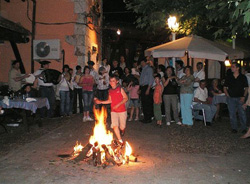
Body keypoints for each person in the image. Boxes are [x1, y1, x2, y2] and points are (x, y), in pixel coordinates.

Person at [94, 75, 128, 143]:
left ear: (117, 81)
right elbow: (110, 100)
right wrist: (100, 102)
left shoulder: (120, 89)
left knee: (122, 126)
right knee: (115, 126)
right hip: (113, 111)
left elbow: (126, 98)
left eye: (113, 81)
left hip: (122, 110)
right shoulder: (110, 90)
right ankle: (120, 140)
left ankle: (122, 130)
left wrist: (118, 105)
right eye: (110, 81)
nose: (112, 82)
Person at [224, 62, 248, 133]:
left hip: (240, 97)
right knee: (232, 113)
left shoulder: (243, 77)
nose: (231, 68)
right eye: (232, 67)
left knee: (242, 113)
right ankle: (234, 128)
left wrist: (243, 96)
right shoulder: (229, 77)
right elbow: (225, 87)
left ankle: (244, 128)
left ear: (237, 68)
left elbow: (246, 88)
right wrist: (227, 94)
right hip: (231, 98)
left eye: (233, 67)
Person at [139, 58, 154, 124]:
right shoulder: (143, 69)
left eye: (142, 62)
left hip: (147, 86)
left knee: (147, 103)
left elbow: (151, 79)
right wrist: (140, 88)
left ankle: (148, 118)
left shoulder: (149, 69)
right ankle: (146, 117)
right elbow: (142, 79)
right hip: (143, 87)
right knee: (144, 103)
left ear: (145, 62)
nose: (141, 64)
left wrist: (148, 88)